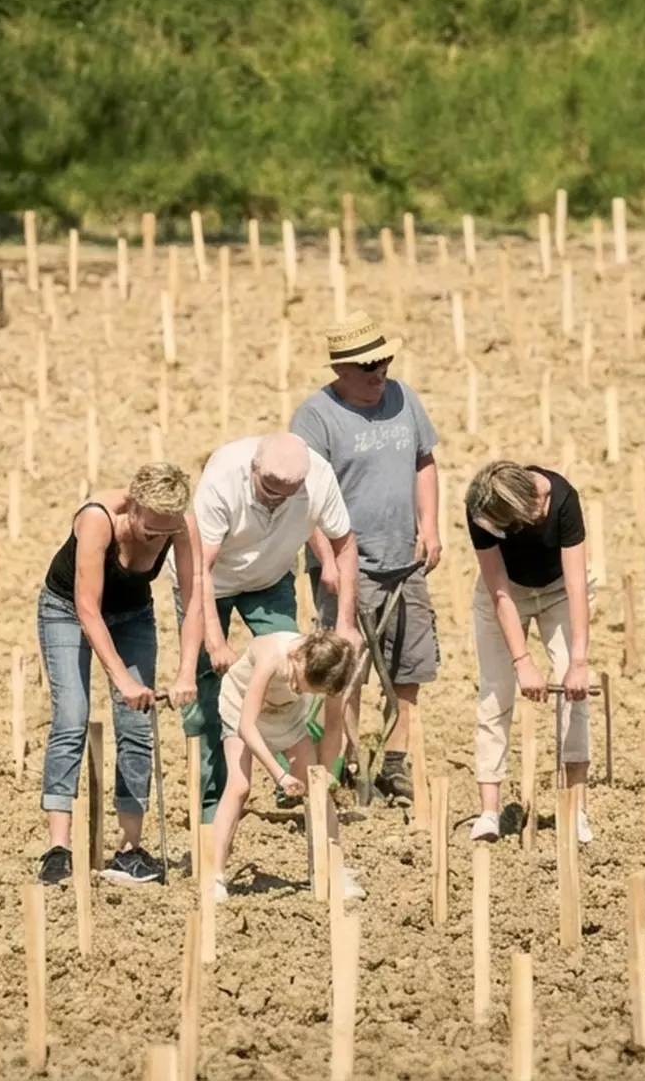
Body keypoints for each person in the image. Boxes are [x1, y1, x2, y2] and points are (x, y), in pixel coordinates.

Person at [289, 311, 441, 806]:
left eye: (384, 361)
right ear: (341, 369)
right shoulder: (315, 417)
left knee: (409, 668)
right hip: (347, 567)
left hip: (404, 560)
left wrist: (430, 526)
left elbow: (424, 462)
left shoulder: (403, 398)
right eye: (369, 366)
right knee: (346, 670)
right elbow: (304, 496)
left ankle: (395, 761)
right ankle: (349, 762)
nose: (380, 372)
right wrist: (327, 560)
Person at [36, 463, 204, 887]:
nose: (159, 539)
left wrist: (186, 670)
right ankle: (58, 849)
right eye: (151, 531)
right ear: (134, 507)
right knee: (72, 717)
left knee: (136, 724)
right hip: (67, 610)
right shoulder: (98, 519)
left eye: (167, 532)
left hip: (133, 614)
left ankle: (130, 850)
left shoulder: (181, 527)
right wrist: (122, 680)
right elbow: (87, 609)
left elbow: (194, 598)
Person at [182, 433, 360, 822]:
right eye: (270, 490)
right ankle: (213, 803)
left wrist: (346, 622)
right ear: (255, 469)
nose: (277, 499)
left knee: (296, 676)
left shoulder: (318, 478)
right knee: (208, 694)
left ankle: (294, 782)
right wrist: (215, 641)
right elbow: (199, 569)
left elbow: (345, 544)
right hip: (212, 582)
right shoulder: (224, 476)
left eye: (287, 494)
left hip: (271, 579)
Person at [465, 461, 594, 845]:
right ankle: (489, 812)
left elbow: (576, 585)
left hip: (558, 591)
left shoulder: (562, 499)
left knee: (575, 696)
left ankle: (576, 809)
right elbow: (499, 591)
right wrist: (522, 662)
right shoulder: (481, 505)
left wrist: (579, 662)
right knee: (495, 692)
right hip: (507, 592)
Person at [210, 630, 361, 901]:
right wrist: (280, 775)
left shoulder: (334, 672)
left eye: (311, 692)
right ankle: (215, 876)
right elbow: (246, 726)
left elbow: (333, 728)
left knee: (315, 787)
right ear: (301, 660)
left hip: (287, 716)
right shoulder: (272, 656)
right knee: (239, 785)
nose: (303, 690)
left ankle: (331, 868)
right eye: (304, 685)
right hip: (241, 707)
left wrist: (326, 775)